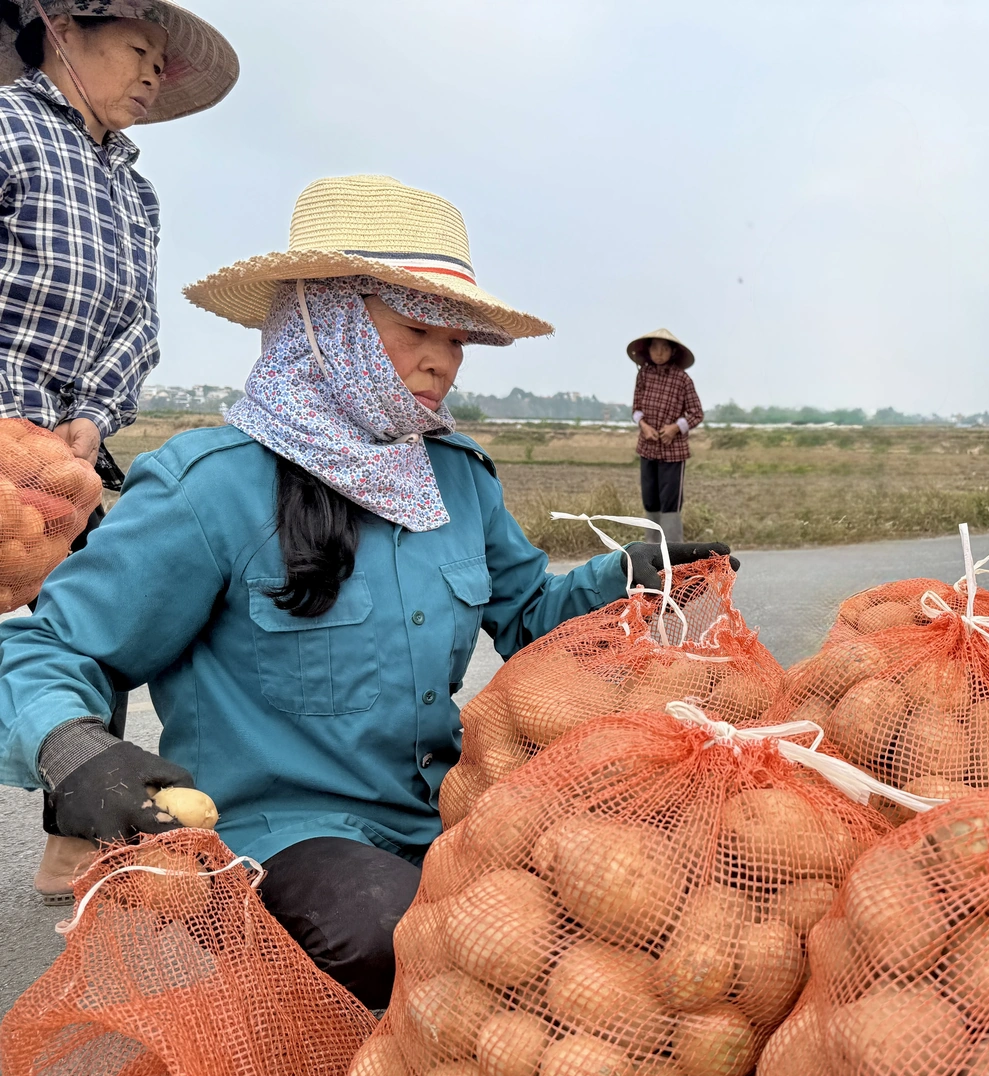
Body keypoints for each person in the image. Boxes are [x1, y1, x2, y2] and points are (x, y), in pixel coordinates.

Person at [0, 175, 733, 1007]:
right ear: (326, 321)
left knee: (626, 911)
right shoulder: (210, 487)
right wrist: (75, 752)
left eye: (456, 339)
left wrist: (632, 579)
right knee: (396, 936)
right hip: (274, 837)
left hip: (441, 814)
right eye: (416, 328)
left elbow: (533, 619)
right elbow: (51, 649)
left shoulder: (456, 478)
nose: (443, 360)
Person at [0, 0, 238, 901]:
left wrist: (94, 418)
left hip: (67, 457)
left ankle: (75, 838)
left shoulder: (135, 190)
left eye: (161, 63)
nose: (152, 74)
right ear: (64, 29)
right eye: (138, 49)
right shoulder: (8, 130)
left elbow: (139, 323)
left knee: (89, 630)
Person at [627, 327, 703, 542]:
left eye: (664, 348)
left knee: (670, 501)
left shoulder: (682, 379)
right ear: (648, 350)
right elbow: (636, 409)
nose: (659, 353)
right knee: (650, 498)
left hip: (673, 451)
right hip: (647, 446)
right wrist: (644, 426)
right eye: (655, 348)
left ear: (673, 352)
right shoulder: (644, 374)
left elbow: (697, 413)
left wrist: (675, 428)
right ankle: (652, 550)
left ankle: (673, 550)